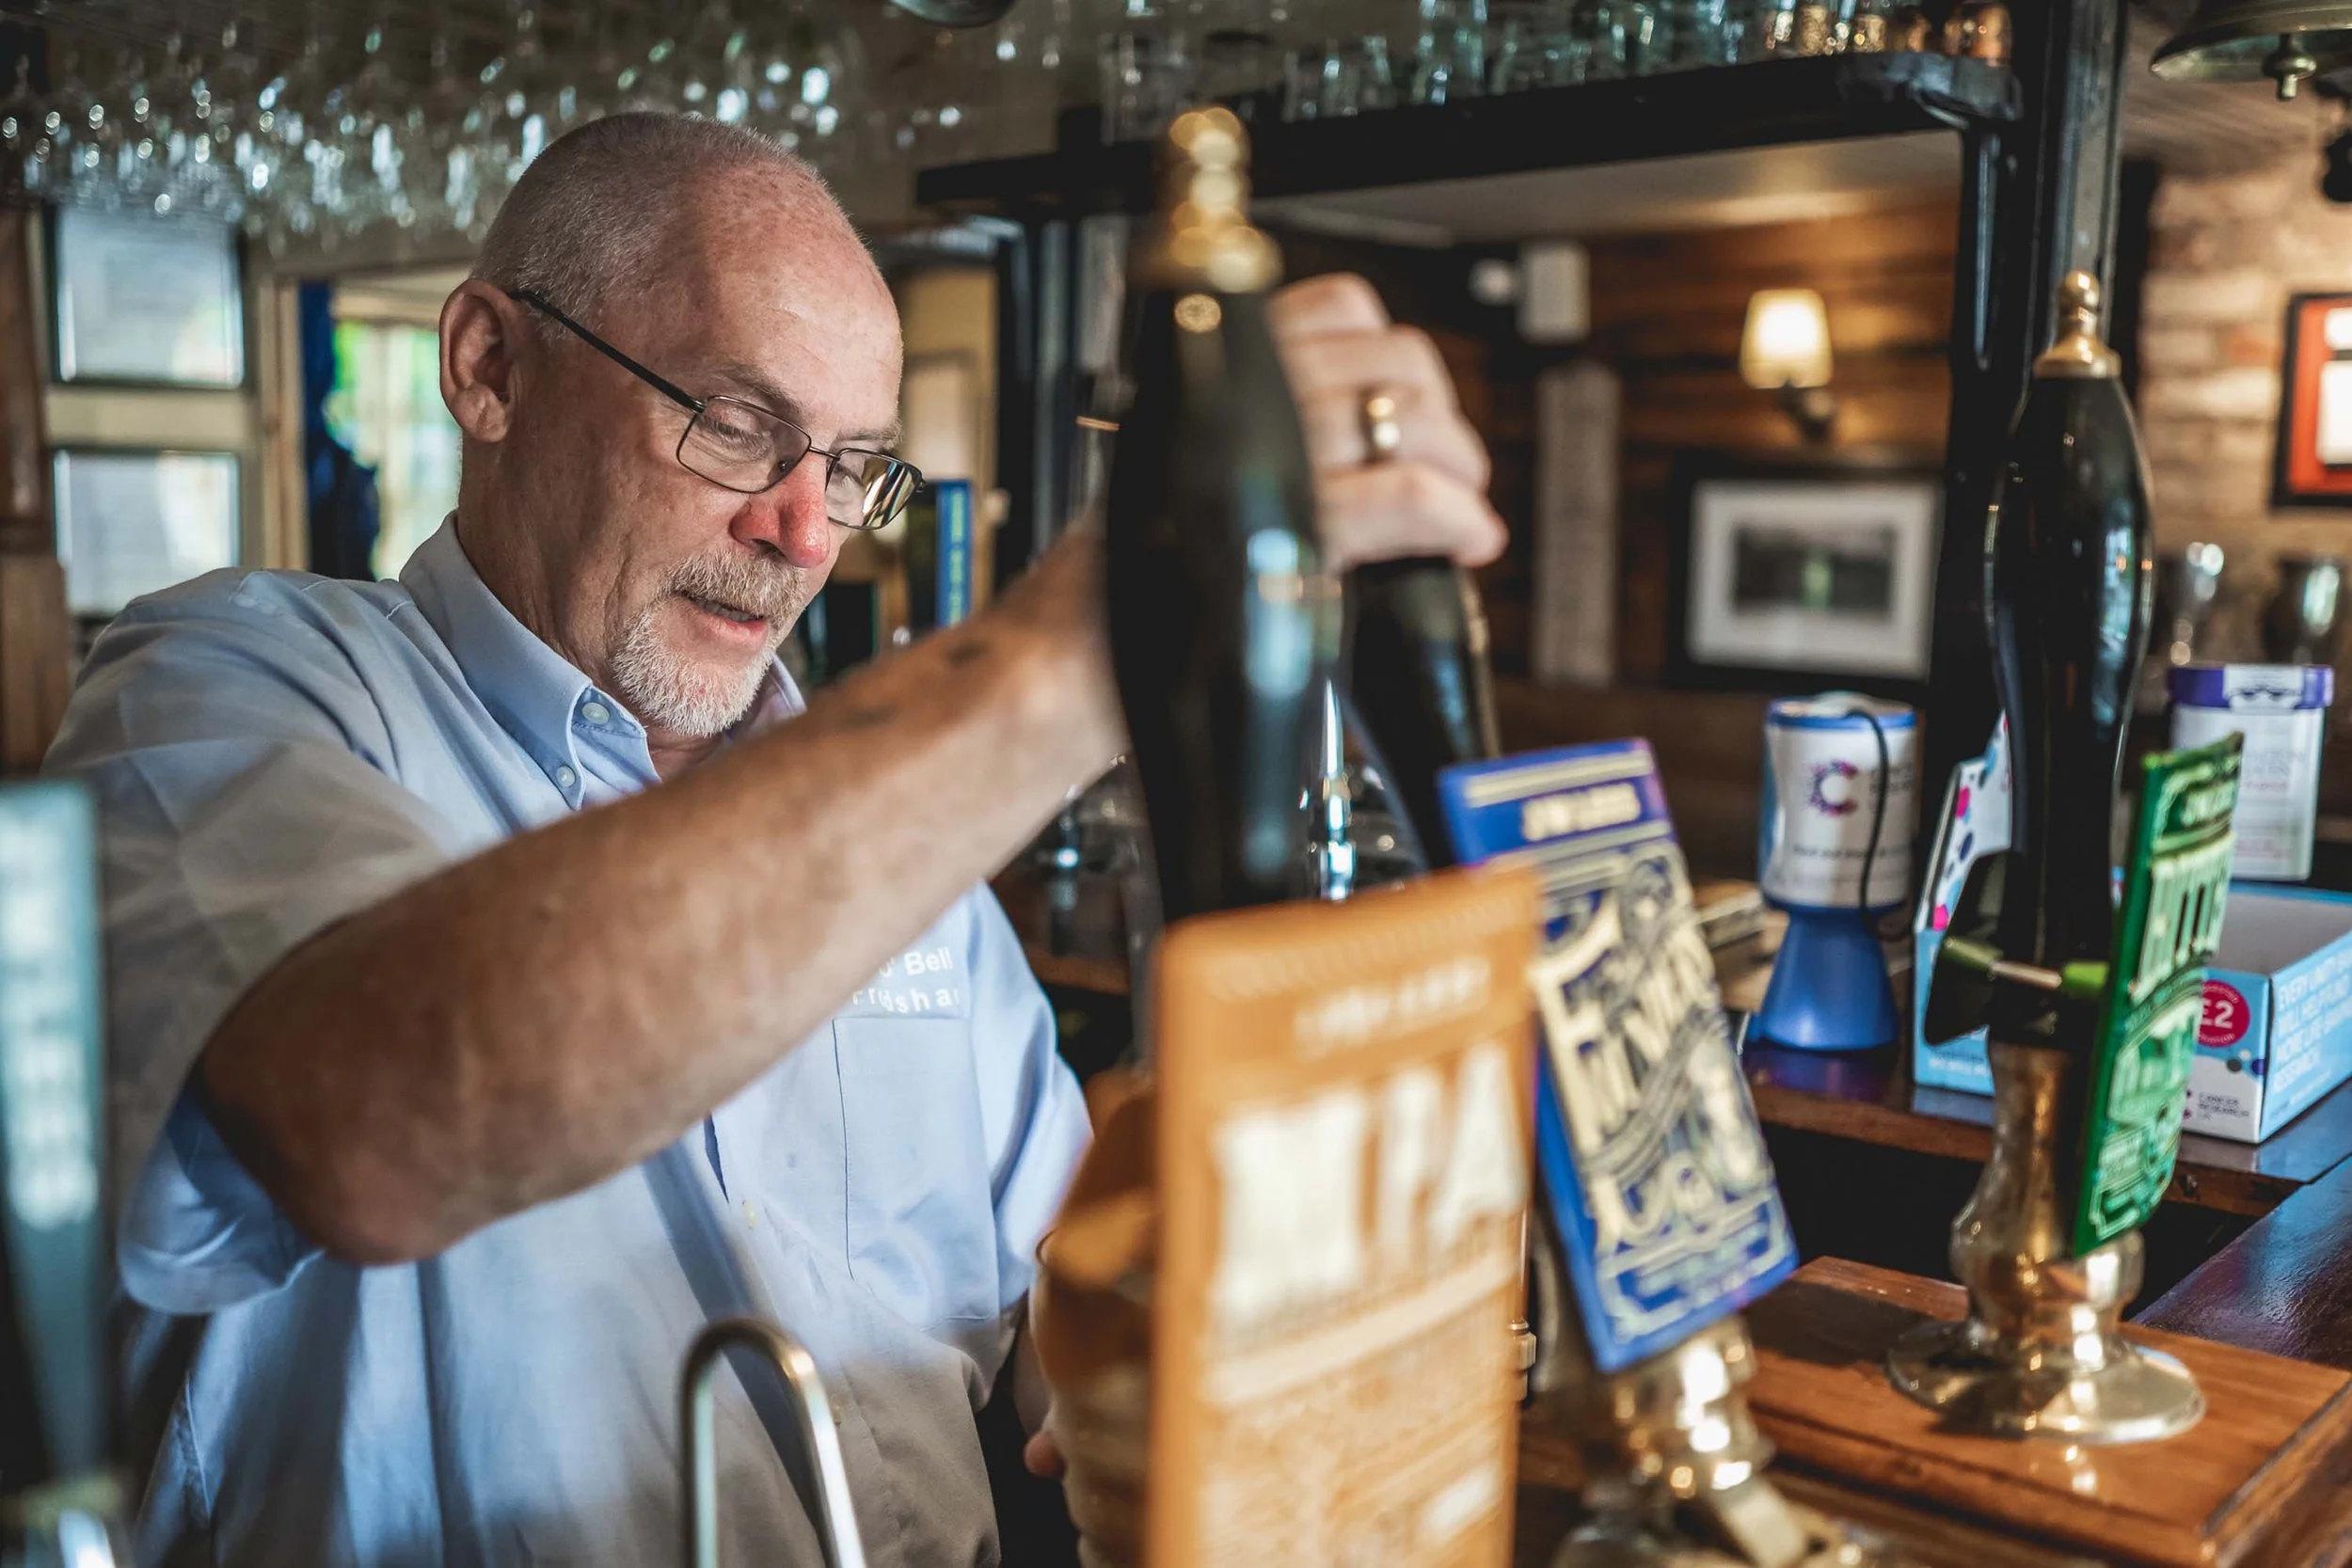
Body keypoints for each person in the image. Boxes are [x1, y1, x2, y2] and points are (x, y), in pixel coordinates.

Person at [50, 112, 1502, 1568]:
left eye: (857, 465)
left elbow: (1079, 1295)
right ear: (489, 366)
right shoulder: (225, 687)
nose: (807, 530)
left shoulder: (904, 847)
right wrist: (1083, 645)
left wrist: (1214, 1365)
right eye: (737, 422)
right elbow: (366, 1123)